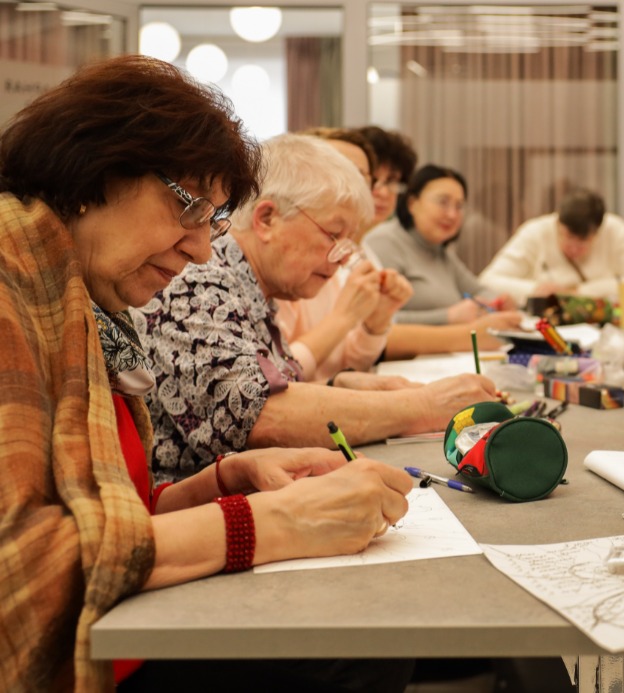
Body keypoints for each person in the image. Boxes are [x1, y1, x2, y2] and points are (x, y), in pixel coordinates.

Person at [0, 55, 414, 692]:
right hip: (102, 645)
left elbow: (117, 516)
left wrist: (222, 483)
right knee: (360, 642)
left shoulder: (88, 304)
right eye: (187, 207)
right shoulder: (13, 290)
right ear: (94, 173)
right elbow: (21, 572)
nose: (200, 247)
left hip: (129, 618)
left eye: (214, 221)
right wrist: (274, 523)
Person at [136, 135, 501, 484]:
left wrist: (339, 385)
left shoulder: (252, 285)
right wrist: (423, 405)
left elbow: (263, 389)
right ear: (267, 219)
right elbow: (255, 416)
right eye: (333, 235)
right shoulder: (201, 282)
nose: (341, 258)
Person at [273, 127, 414, 383]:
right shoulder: (287, 261)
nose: (351, 187)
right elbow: (271, 380)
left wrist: (375, 322)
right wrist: (345, 318)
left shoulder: (350, 252)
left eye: (360, 177)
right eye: (338, 173)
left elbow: (344, 368)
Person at [363, 164, 517, 326]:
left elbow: (478, 291)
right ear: (412, 203)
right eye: (443, 202)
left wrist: (497, 302)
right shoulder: (384, 242)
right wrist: (447, 316)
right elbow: (371, 319)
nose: (452, 214)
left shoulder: (440, 251)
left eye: (458, 206)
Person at [479, 187, 624, 305]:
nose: (574, 249)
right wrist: (536, 290)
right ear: (557, 222)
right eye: (567, 237)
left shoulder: (614, 229)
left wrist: (578, 292)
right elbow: (487, 281)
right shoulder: (535, 232)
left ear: (598, 232)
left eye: (584, 242)